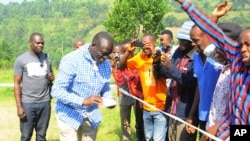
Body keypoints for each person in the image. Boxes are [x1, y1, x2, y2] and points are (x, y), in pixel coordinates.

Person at [173, 0, 250, 140]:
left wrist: (220, 131)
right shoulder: (237, 59)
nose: (243, 49)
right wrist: (185, 3)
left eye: (248, 45)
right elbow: (211, 32)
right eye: (241, 45)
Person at [51, 31, 115, 141]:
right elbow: (57, 91)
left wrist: (109, 99)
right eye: (103, 54)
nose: (105, 58)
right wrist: (83, 101)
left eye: (107, 55)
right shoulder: (72, 60)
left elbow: (105, 87)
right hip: (68, 113)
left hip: (91, 115)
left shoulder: (105, 63)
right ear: (94, 45)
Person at [153, 21, 198, 141]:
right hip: (172, 108)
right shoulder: (178, 52)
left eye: (184, 40)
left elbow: (190, 83)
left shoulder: (197, 57)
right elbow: (168, 74)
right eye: (179, 39)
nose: (180, 42)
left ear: (192, 41)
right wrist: (157, 63)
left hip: (185, 113)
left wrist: (171, 67)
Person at [118, 34, 168, 141]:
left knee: (158, 139)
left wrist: (155, 55)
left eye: (148, 44)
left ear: (155, 44)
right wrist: (128, 51)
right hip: (146, 107)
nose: (145, 47)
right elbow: (121, 66)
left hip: (160, 108)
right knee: (148, 138)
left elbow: (160, 74)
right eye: (143, 44)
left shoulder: (162, 58)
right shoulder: (140, 58)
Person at [14, 32, 54, 141]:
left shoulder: (47, 58)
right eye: (37, 43)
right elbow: (17, 84)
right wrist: (19, 106)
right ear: (30, 43)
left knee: (41, 136)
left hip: (45, 103)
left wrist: (51, 77)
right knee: (26, 136)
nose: (40, 45)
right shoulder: (21, 60)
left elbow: (50, 75)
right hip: (28, 103)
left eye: (42, 43)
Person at [111, 41, 136, 141]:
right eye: (114, 52)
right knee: (125, 121)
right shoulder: (112, 65)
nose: (116, 55)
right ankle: (126, 139)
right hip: (123, 95)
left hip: (135, 94)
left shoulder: (131, 62)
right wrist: (114, 66)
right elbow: (119, 81)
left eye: (119, 52)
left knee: (140, 120)